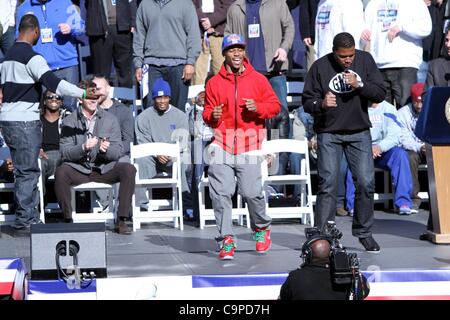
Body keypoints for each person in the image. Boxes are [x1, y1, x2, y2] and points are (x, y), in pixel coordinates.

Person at [0, 14, 99, 230]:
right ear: (35, 31)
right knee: (28, 172)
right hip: (24, 121)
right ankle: (25, 223)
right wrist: (82, 92)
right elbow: (55, 84)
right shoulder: (32, 57)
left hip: (7, 120)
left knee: (22, 171)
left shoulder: (7, 57)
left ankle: (28, 218)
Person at [302, 32, 386, 252]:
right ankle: (322, 234)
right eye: (342, 56)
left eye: (350, 55)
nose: (347, 60)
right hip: (329, 132)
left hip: (359, 131)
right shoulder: (320, 67)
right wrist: (320, 103)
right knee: (328, 182)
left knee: (366, 182)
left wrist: (360, 85)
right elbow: (306, 101)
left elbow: (380, 93)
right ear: (334, 52)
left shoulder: (365, 61)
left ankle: (364, 233)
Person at [202, 33, 280, 260]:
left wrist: (258, 108)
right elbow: (208, 113)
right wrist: (211, 115)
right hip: (222, 143)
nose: (236, 53)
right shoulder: (214, 82)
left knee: (252, 192)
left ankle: (261, 228)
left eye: (240, 49)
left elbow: (275, 106)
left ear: (244, 52)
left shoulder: (258, 79)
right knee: (221, 193)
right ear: (224, 54)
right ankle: (226, 239)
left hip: (250, 142)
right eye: (231, 50)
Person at [54, 80, 136, 235]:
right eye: (89, 96)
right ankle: (67, 219)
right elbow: (65, 152)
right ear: (80, 98)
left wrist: (105, 150)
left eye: (96, 96)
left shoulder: (110, 119)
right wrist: (83, 147)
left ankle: (122, 219)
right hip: (79, 168)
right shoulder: (69, 121)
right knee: (61, 172)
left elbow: (118, 150)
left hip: (103, 168)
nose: (93, 99)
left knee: (128, 169)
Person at [345, 100, 414, 215]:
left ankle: (403, 202)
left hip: (383, 150)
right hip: (362, 149)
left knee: (401, 155)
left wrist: (380, 147)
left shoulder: (388, 108)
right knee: (352, 161)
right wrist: (366, 148)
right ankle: (353, 205)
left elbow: (395, 135)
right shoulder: (356, 107)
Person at [17, 0, 85, 111]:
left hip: (67, 64)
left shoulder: (64, 2)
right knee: (44, 110)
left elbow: (81, 27)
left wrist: (71, 28)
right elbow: (18, 38)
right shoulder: (24, 8)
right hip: (40, 68)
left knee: (69, 109)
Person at [134, 78, 191, 212]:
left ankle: (186, 205)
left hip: (173, 157)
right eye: (158, 97)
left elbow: (183, 142)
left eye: (165, 97)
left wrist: (170, 154)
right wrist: (157, 153)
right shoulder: (143, 117)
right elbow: (143, 142)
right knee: (140, 161)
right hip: (152, 157)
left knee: (184, 161)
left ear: (169, 97)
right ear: (154, 98)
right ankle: (141, 205)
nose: (162, 101)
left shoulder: (180, 116)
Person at [133, 0, 201, 111]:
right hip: (151, 66)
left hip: (179, 65)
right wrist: (138, 64)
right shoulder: (144, 4)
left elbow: (193, 35)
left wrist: (190, 62)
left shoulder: (185, 3)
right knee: (150, 110)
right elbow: (139, 36)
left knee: (178, 110)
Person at [362, 0, 432, 107]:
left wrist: (402, 27)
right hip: (378, 65)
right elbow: (364, 27)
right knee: (383, 113)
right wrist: (363, 32)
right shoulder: (373, 3)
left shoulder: (415, 2)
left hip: (405, 64)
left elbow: (426, 28)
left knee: (406, 108)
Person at [91, 75, 135, 211]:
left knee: (124, 162)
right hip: (96, 155)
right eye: (93, 89)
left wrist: (112, 149)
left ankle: (123, 208)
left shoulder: (123, 111)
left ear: (108, 89)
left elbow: (129, 141)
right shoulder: (89, 111)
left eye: (99, 88)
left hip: (118, 154)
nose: (96, 92)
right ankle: (107, 205)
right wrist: (98, 146)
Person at [279, 237, 370, 300]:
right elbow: (363, 292)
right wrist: (353, 270)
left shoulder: (295, 277)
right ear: (331, 255)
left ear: (308, 256)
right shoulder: (346, 275)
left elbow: (284, 297)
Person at [85, 0, 137, 88]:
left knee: (124, 71)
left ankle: (126, 100)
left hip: (123, 28)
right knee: (100, 73)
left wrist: (133, 22)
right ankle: (101, 100)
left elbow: (132, 2)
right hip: (99, 30)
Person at [398, 83, 426, 216]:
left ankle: (442, 198)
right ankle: (413, 199)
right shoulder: (403, 113)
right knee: (408, 157)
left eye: (422, 102)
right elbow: (403, 139)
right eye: (416, 102)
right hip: (416, 148)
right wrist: (420, 147)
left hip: (433, 147)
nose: (419, 106)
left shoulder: (435, 109)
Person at [192, 0, 234, 85]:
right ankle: (197, 98)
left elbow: (228, 5)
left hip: (218, 34)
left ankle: (222, 97)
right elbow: (191, 4)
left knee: (221, 70)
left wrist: (211, 21)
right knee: (197, 73)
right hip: (199, 34)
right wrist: (203, 20)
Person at [39, 90, 70, 199]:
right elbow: (30, 139)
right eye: (50, 97)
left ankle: (69, 207)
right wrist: (37, 149)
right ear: (44, 101)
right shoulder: (36, 120)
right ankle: (39, 204)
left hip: (63, 155)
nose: (54, 99)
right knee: (39, 165)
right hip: (44, 156)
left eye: (58, 97)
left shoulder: (68, 118)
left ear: (61, 102)